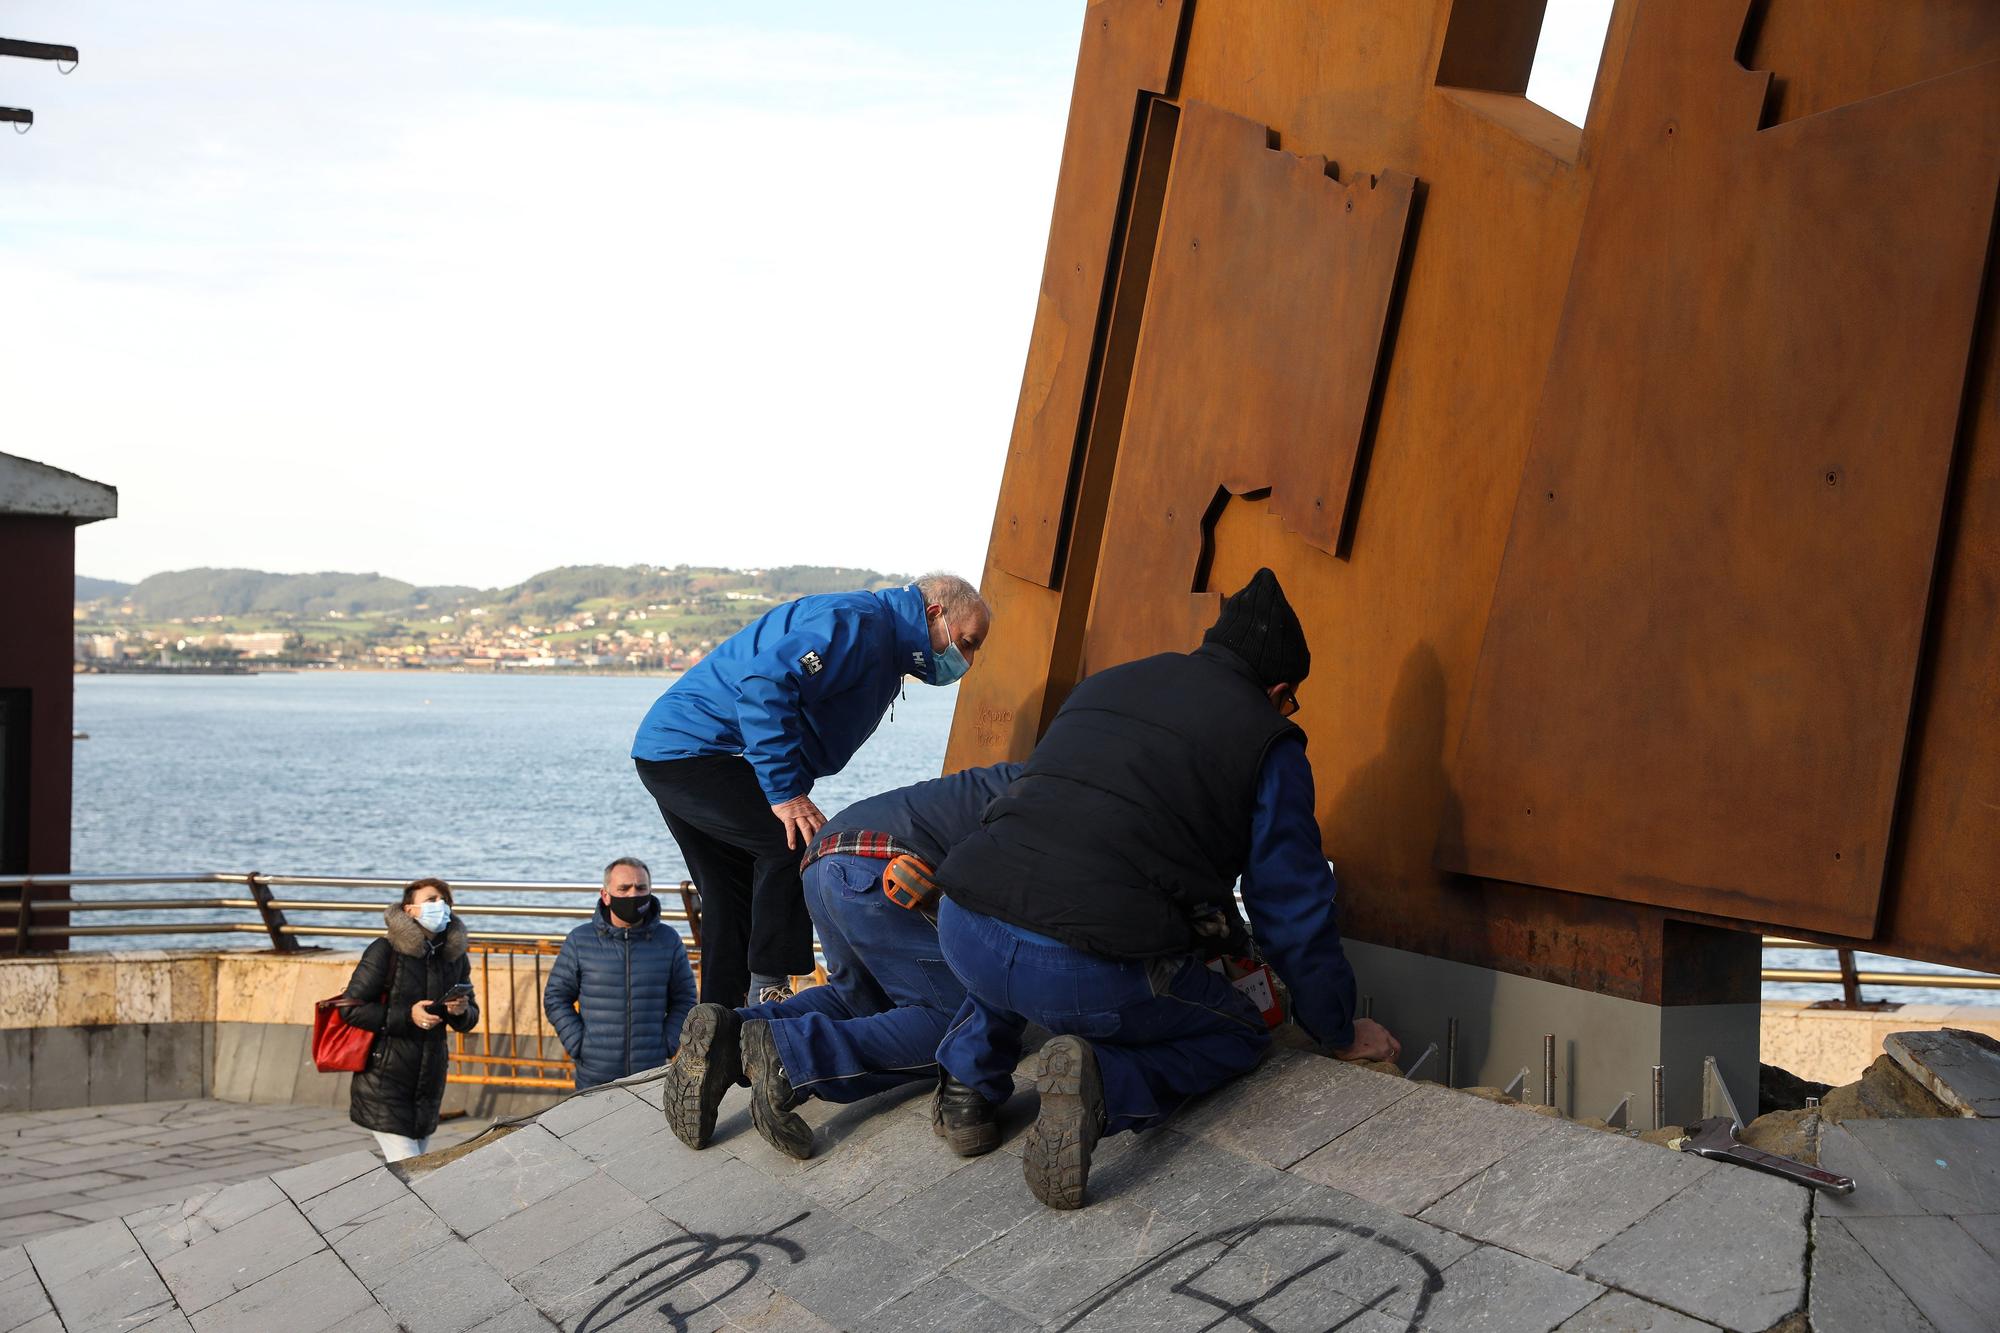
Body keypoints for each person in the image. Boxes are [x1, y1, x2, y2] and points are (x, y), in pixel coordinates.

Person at [931, 567, 1401, 1209]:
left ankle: (967, 1092)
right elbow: (1289, 904)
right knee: (1237, 1034)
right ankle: (1107, 1083)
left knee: (1021, 921)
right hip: (1076, 966)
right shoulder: (1270, 740)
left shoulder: (1108, 685)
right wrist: (1337, 1028)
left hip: (964, 924)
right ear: (1281, 690)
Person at [631, 573, 991, 1009]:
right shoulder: (859, 624)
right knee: (791, 843)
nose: (967, 660)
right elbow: (766, 685)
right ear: (935, 614)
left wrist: (789, 787)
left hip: (677, 750)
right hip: (700, 751)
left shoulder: (885, 643)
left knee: (731, 895)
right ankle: (769, 993)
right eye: (967, 642)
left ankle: (718, 1022)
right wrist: (786, 796)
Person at [663, 762, 1024, 1160]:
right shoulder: (1054, 803)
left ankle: (734, 1031)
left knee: (865, 999)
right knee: (959, 1021)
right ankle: (793, 1056)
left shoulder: (1021, 776)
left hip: (824, 860)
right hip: (881, 869)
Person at [340, 877, 480, 1163]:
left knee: (410, 1171)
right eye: (431, 900)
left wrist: (460, 1011)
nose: (440, 906)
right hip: (385, 1080)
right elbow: (350, 1008)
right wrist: (408, 1015)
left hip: (428, 1081)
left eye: (445, 901)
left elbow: (470, 1017)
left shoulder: (453, 957)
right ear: (409, 910)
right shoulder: (385, 951)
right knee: (412, 1170)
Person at [544, 856, 698, 1090]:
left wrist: (667, 1043)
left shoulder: (668, 940)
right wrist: (578, 1043)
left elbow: (685, 999)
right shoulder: (580, 940)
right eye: (623, 888)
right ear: (605, 895)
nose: (633, 895)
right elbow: (556, 997)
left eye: (641, 888)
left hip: (650, 1074)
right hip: (594, 1075)